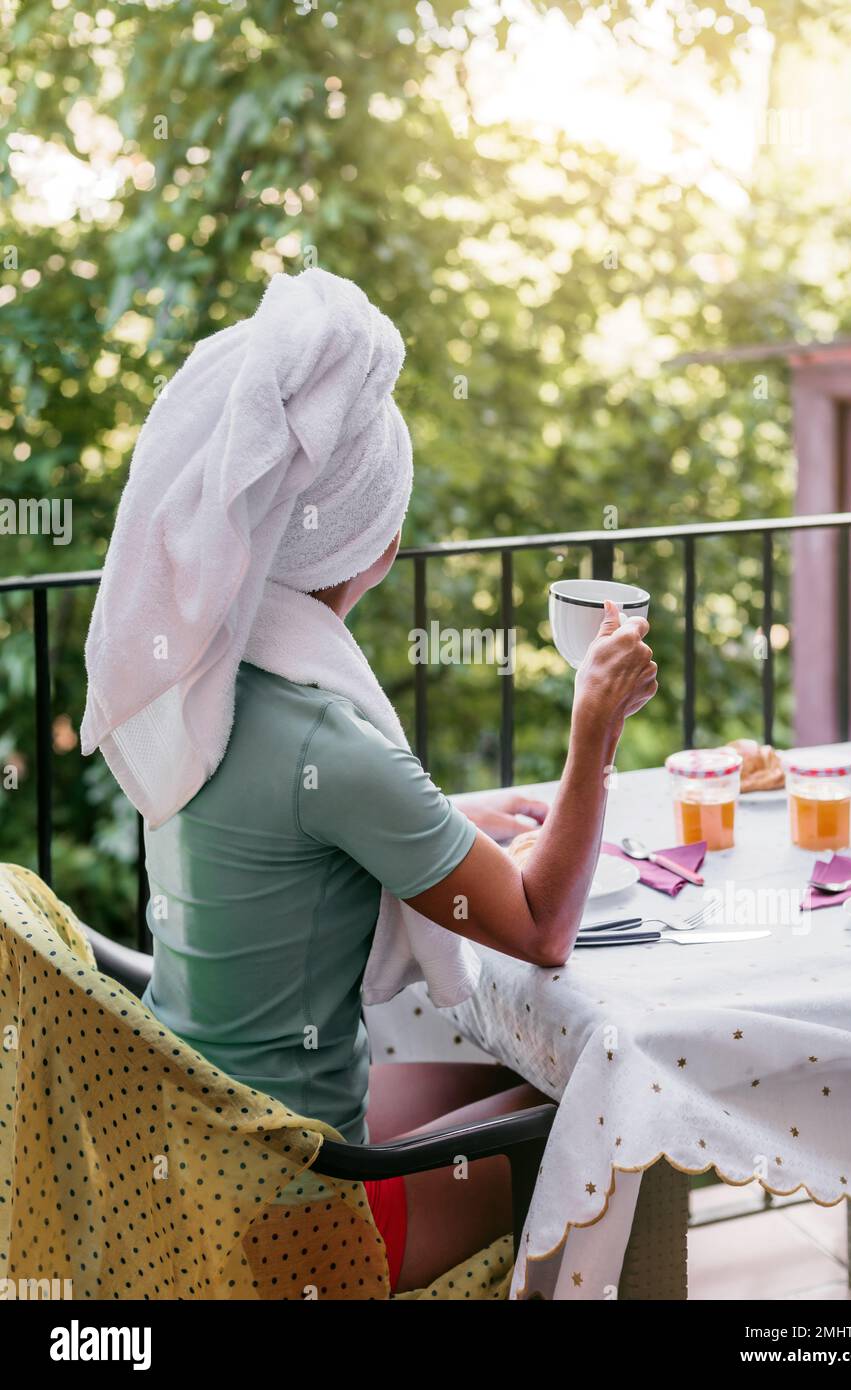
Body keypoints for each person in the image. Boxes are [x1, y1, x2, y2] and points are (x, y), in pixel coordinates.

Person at [81, 268, 657, 1294]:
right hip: (291, 1216)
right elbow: (539, 926)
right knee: (614, 1120)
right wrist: (592, 729)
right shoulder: (326, 742)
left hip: (200, 1158)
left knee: (535, 1076)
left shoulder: (198, 689)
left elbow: (304, 834)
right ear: (375, 541)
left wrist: (441, 818)